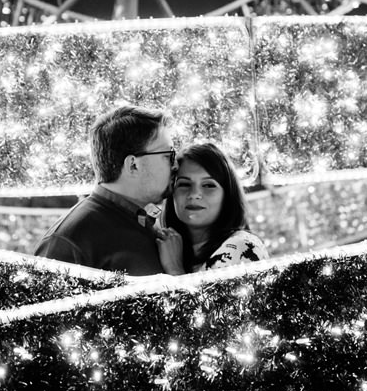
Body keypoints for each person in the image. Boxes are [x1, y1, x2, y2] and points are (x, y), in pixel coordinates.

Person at [34, 104, 176, 275]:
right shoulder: (69, 241)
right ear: (133, 165)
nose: (175, 165)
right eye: (168, 155)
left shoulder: (145, 222)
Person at [156, 142, 266, 274]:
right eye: (184, 184)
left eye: (208, 185)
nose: (194, 194)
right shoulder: (164, 247)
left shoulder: (243, 246)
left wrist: (174, 268)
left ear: (227, 195)